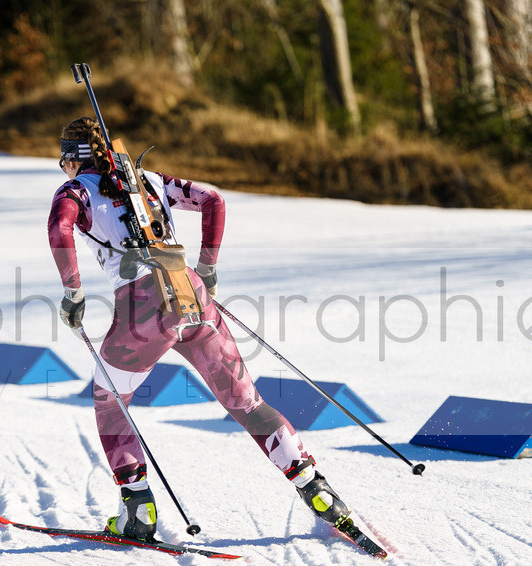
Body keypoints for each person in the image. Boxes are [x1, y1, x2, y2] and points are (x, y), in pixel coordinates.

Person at [47, 116, 350, 541]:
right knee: (247, 403)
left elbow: (60, 226)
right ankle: (316, 489)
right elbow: (213, 199)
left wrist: (73, 293)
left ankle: (139, 513)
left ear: (74, 161)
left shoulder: (75, 190)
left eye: (63, 163)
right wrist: (206, 267)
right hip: (191, 293)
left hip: (141, 309)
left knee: (110, 402)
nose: (63, 172)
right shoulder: (148, 178)